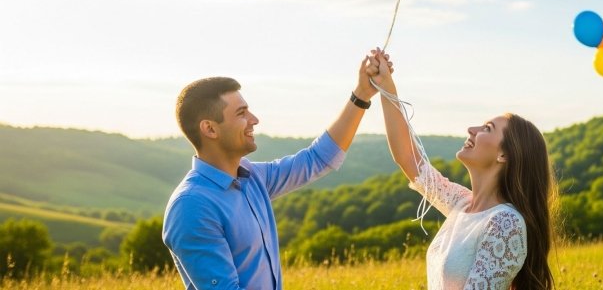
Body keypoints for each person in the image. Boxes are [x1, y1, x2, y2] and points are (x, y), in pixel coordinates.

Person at [162, 52, 390, 290]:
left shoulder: (252, 178)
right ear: (210, 129)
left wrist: (362, 94)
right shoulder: (192, 205)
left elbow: (318, 158)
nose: (254, 119)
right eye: (241, 113)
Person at [369, 49, 557, 290]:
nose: (471, 129)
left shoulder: (505, 223)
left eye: (487, 129)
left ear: (504, 155)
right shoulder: (461, 204)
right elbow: (408, 158)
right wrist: (386, 87)